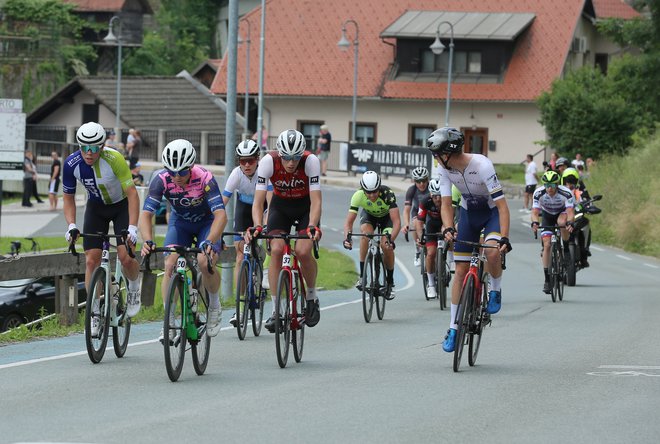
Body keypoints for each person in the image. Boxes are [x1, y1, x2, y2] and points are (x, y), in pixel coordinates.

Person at [426, 127, 512, 353]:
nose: (435, 158)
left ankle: (495, 289)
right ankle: (453, 327)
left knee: (492, 251)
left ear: (448, 152)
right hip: (468, 216)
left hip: (491, 214)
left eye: (437, 153)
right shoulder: (443, 169)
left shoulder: (482, 166)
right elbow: (445, 204)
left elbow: (502, 206)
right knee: (460, 270)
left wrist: (505, 236)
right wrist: (447, 227)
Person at [140, 139, 226, 340]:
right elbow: (146, 214)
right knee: (169, 263)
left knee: (205, 262)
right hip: (181, 224)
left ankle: (214, 305)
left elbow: (221, 215)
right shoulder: (160, 179)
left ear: (191, 166)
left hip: (207, 223)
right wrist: (148, 240)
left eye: (182, 172)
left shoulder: (205, 177)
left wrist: (210, 241)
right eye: (172, 172)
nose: (177, 177)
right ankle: (168, 319)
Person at [63, 122, 142, 337]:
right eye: (84, 147)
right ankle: (95, 313)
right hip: (96, 208)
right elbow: (68, 197)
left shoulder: (114, 158)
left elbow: (133, 194)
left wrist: (133, 228)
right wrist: (71, 225)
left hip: (121, 207)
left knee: (125, 256)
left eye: (94, 148)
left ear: (102, 146)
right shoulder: (71, 164)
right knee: (91, 260)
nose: (89, 153)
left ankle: (134, 287)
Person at [244, 129, 322, 332]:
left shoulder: (311, 161)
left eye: (296, 157)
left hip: (305, 208)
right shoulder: (269, 162)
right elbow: (258, 201)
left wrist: (313, 225)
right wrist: (258, 225)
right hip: (281, 206)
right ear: (280, 154)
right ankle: (276, 310)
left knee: (303, 251)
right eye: (287, 157)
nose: (291, 162)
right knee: (277, 249)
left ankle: (312, 297)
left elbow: (316, 201)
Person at [222, 139, 273, 327]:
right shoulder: (236, 174)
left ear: (257, 159)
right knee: (239, 253)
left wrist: (266, 226)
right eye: (242, 161)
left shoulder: (263, 172)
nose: (246, 165)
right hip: (244, 208)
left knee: (269, 242)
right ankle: (240, 308)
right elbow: (222, 202)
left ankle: (264, 268)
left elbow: (270, 202)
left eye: (250, 160)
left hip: (265, 207)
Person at [342, 171, 401, 299]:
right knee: (366, 235)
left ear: (379, 187)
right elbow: (348, 222)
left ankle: (390, 282)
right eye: (368, 192)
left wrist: (391, 240)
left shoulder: (388, 194)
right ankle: (363, 276)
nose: (372, 195)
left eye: (375, 191)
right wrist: (347, 238)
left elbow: (396, 222)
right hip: (369, 217)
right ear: (363, 190)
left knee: (386, 247)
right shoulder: (358, 196)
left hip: (387, 219)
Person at [530, 170, 575, 294]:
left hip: (562, 212)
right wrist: (534, 222)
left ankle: (565, 249)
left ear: (557, 184)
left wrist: (570, 222)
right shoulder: (538, 193)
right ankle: (547, 279)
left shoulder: (566, 192)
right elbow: (534, 212)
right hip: (547, 215)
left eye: (553, 185)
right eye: (547, 185)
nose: (549, 188)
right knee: (547, 245)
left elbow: (570, 212)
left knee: (562, 223)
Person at [415, 178, 452, 298]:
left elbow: (454, 218)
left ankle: (451, 261)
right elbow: (419, 222)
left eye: (440, 196)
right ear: (431, 194)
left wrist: (448, 228)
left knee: (450, 236)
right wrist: (421, 237)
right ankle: (431, 284)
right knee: (430, 254)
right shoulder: (425, 201)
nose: (438, 199)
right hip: (431, 225)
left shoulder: (448, 200)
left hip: (445, 223)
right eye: (435, 196)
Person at [561, 167, 593, 267]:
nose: (569, 182)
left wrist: (587, 206)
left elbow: (586, 199)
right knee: (550, 229)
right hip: (562, 215)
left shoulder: (580, 188)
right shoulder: (558, 188)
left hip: (576, 215)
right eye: (567, 180)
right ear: (563, 179)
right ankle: (548, 248)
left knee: (586, 223)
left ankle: (585, 250)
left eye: (572, 180)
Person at [402, 166, 430, 267]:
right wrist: (406, 224)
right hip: (417, 212)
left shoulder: (432, 187)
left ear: (428, 179)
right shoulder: (411, 190)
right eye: (418, 181)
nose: (421, 184)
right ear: (414, 181)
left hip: (430, 213)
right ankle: (417, 251)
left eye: (423, 180)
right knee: (414, 225)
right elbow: (406, 210)